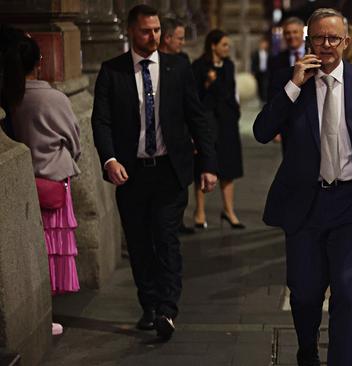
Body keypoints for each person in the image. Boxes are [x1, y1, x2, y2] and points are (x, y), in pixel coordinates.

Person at [253, 8, 352, 366]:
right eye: (319, 38)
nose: (325, 45)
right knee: (305, 294)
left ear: (346, 42)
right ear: (309, 41)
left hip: (351, 202)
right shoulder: (292, 81)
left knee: (349, 295)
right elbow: (261, 132)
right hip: (305, 204)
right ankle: (307, 349)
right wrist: (294, 86)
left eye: (333, 38)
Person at [91, 4, 218, 341]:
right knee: (139, 243)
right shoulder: (112, 71)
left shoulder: (178, 67)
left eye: (157, 30)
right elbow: (101, 121)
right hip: (131, 173)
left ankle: (167, 309)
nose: (153, 37)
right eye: (147, 31)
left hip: (169, 171)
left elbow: (197, 116)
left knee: (165, 238)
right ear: (132, 31)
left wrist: (208, 164)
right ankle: (148, 304)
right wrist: (109, 159)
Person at [9, 34, 81, 336]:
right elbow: (74, 139)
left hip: (26, 181)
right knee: (52, 249)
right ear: (40, 62)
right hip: (53, 181)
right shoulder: (54, 98)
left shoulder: (12, 97)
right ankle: (47, 310)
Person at [192, 29, 245, 229]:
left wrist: (235, 112)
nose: (227, 48)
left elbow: (229, 92)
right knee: (203, 166)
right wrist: (207, 83)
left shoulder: (229, 66)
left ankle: (229, 210)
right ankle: (200, 211)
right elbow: (195, 97)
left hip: (227, 123)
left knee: (228, 167)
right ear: (213, 45)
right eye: (224, 45)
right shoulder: (198, 66)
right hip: (207, 124)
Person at [159, 17, 196, 235]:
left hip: (181, 133)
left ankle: (178, 221)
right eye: (179, 38)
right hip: (161, 137)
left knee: (182, 183)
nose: (182, 43)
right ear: (168, 38)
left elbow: (190, 102)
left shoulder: (182, 61)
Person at [268, 16, 306, 154]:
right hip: (287, 123)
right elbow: (272, 93)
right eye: (288, 33)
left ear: (302, 32)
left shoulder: (314, 56)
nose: (291, 36)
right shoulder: (275, 61)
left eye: (295, 32)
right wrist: (274, 126)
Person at [251, 38, 270, 102]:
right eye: (262, 44)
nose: (264, 45)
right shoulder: (256, 53)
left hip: (266, 72)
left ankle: (265, 99)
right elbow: (253, 63)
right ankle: (261, 99)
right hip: (258, 72)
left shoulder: (268, 53)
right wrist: (253, 72)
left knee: (265, 85)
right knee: (259, 85)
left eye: (265, 44)